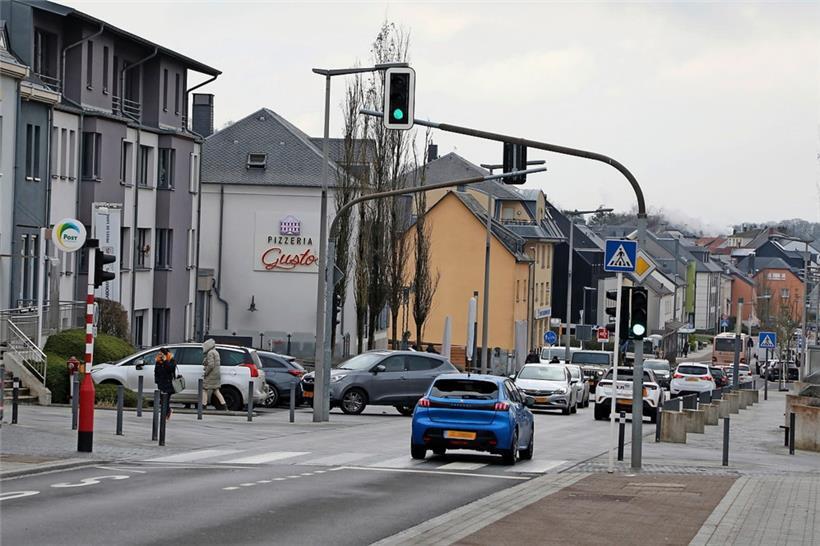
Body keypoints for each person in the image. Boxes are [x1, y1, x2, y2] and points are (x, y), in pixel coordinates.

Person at [202, 339, 227, 410]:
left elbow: (211, 365)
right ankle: (224, 405)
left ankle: (203, 405)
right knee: (216, 390)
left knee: (204, 389)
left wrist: (206, 373)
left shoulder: (210, 353)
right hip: (216, 374)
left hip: (211, 374)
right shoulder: (216, 352)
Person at [154, 348, 176, 420]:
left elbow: (170, 369)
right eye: (159, 354)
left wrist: (165, 360)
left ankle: (166, 414)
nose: (160, 355)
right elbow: (156, 372)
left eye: (161, 354)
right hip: (161, 383)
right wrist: (157, 381)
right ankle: (167, 411)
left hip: (168, 383)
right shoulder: (158, 361)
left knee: (166, 399)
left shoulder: (171, 360)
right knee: (162, 400)